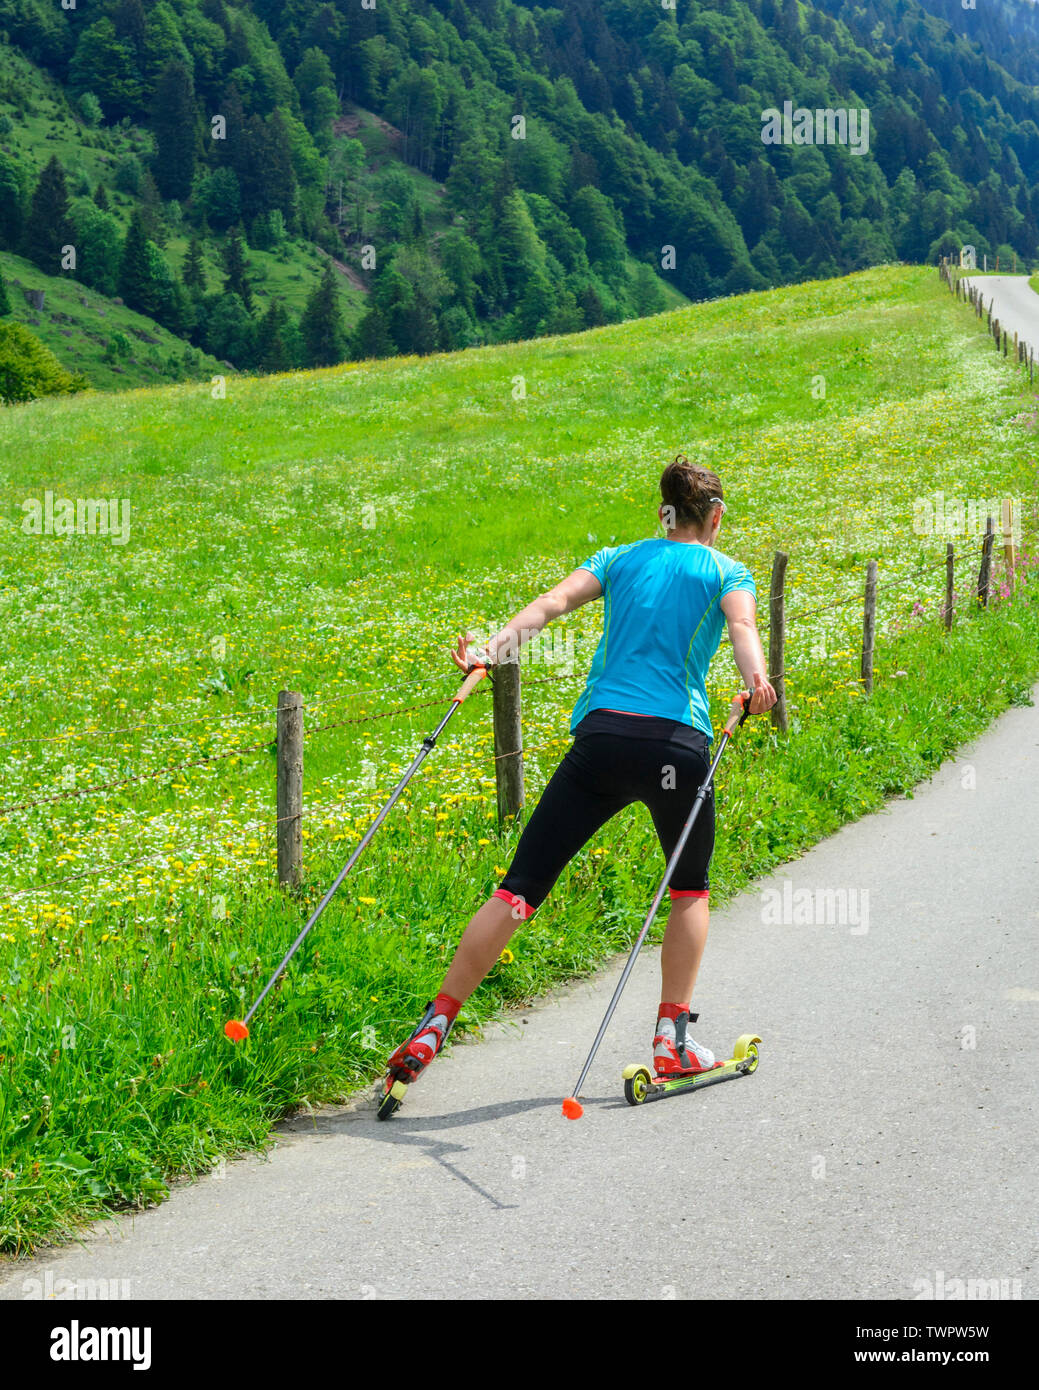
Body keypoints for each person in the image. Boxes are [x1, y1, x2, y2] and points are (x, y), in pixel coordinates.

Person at [384, 454, 777, 1093]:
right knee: (688, 890)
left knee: (519, 890)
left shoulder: (618, 558)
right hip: (675, 752)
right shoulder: (726, 569)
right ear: (717, 518)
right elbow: (741, 625)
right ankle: (671, 1039)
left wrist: (491, 649)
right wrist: (756, 682)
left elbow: (552, 604)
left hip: (600, 743)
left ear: (663, 514)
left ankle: (436, 1022)